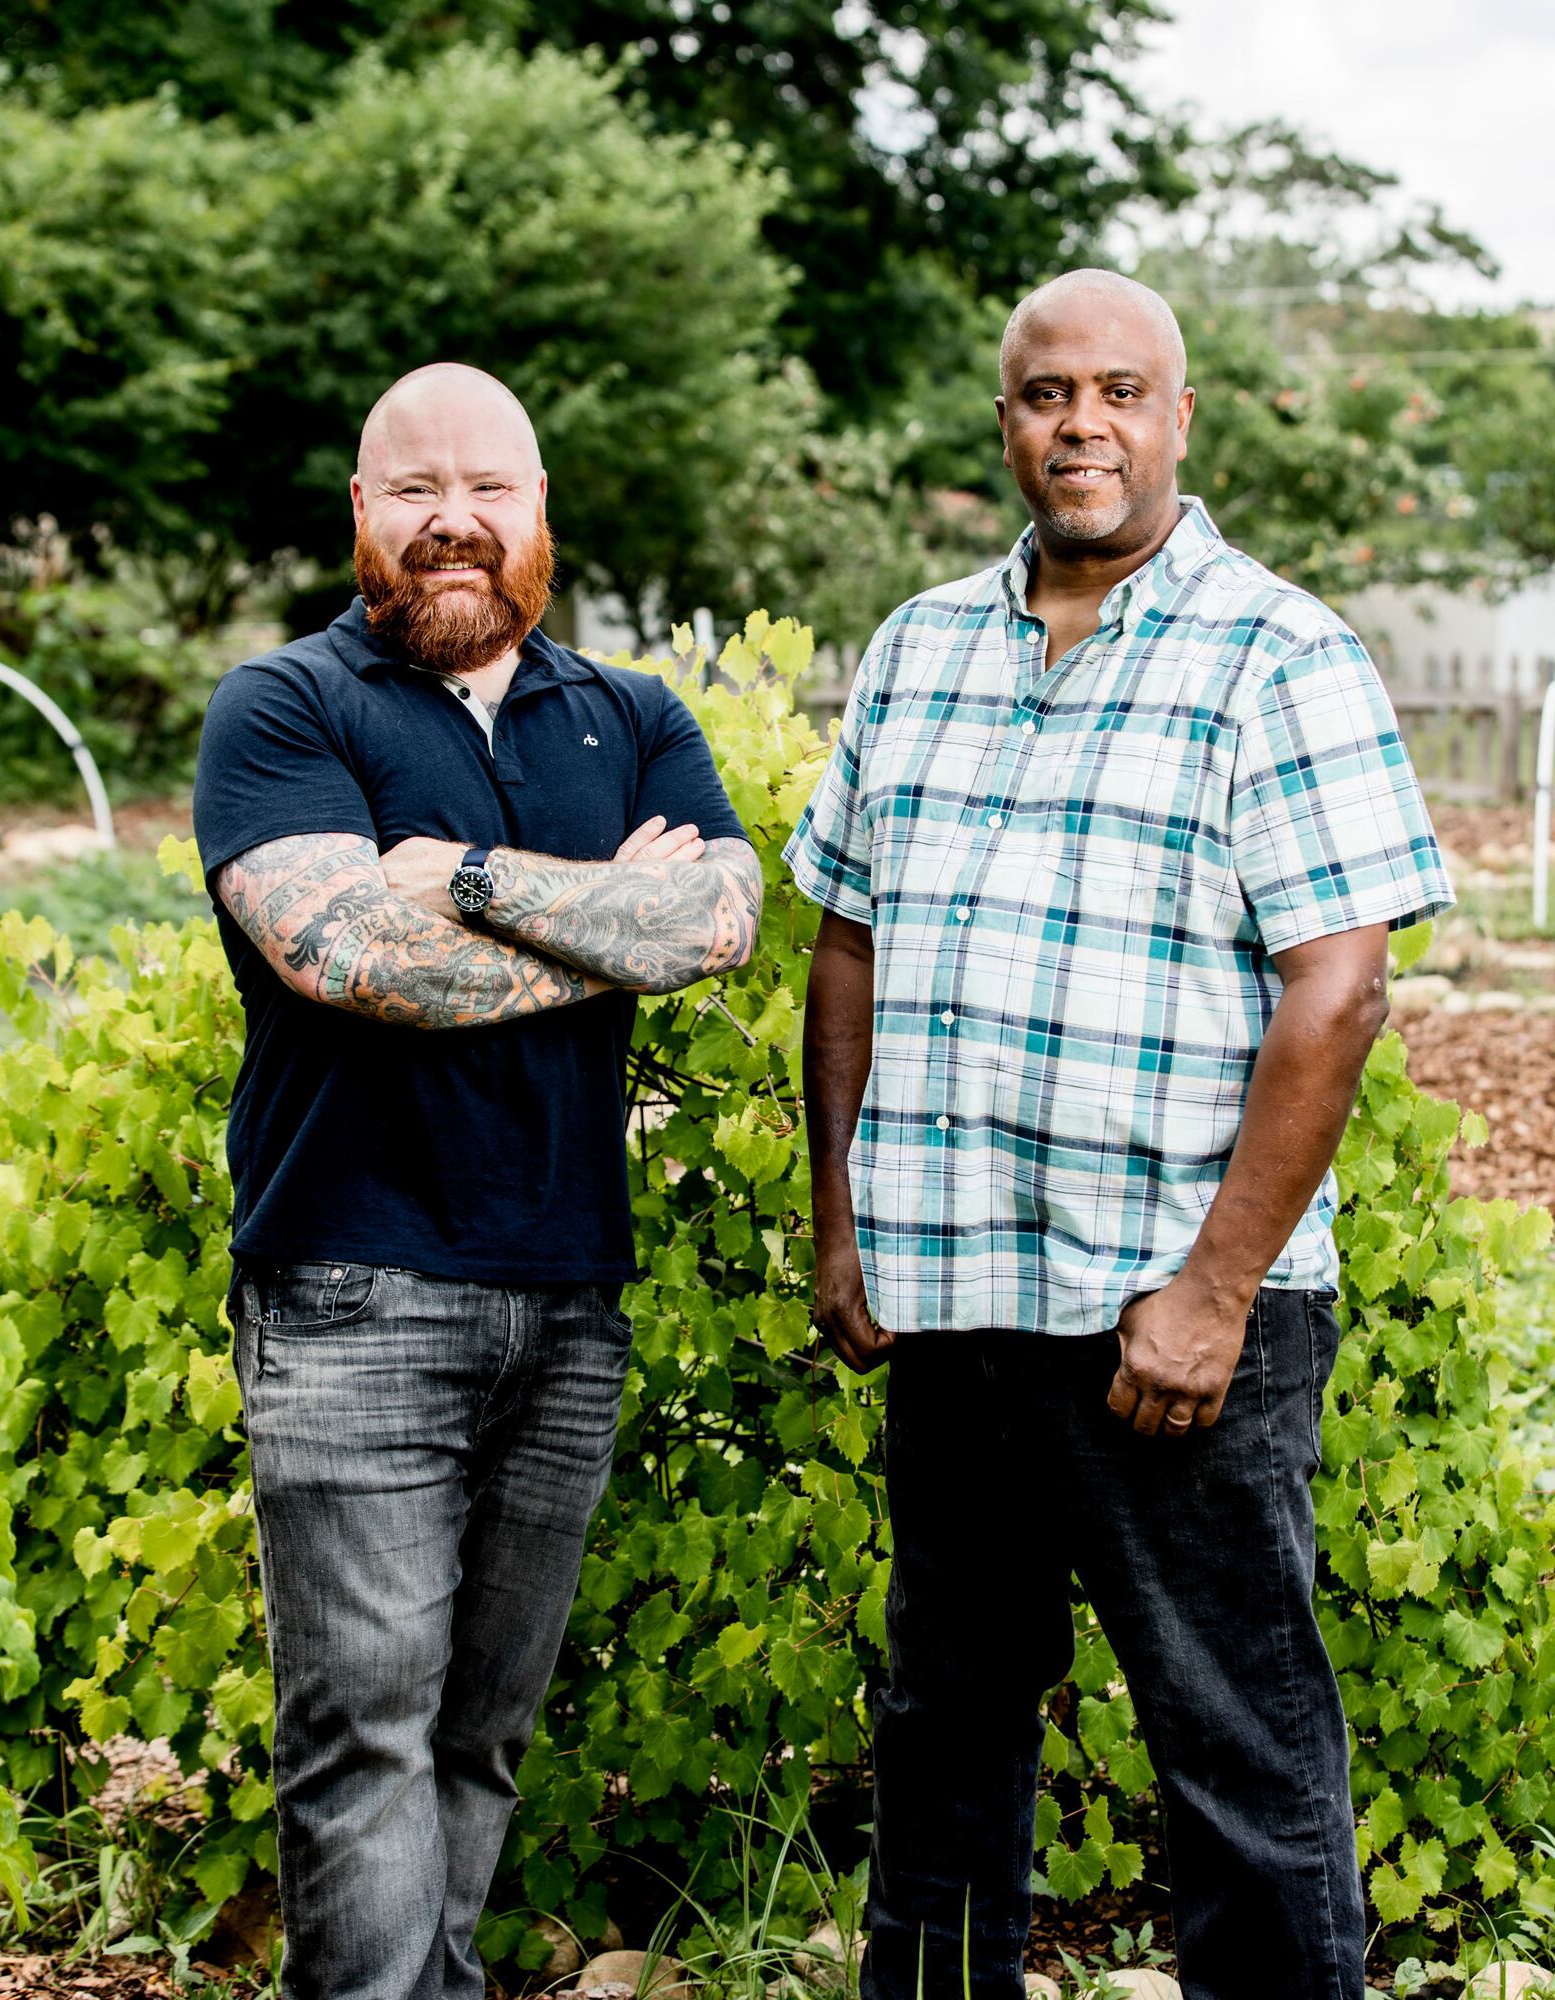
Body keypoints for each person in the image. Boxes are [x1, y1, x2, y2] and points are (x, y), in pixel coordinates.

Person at [785, 271, 1453, 2000]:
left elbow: (1339, 995)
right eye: (1043, 394)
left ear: (1179, 417)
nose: (1080, 424)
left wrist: (1216, 1294)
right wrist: (845, 1218)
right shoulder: (920, 646)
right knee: (945, 1739)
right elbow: (845, 938)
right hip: (954, 1303)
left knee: (1234, 1752)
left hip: (1173, 1326)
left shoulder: (1278, 653)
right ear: (1003, 419)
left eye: (1117, 392)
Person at [192, 362, 761, 2000]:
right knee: (363, 1732)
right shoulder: (285, 705)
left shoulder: (631, 714)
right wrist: (607, 925)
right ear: (362, 513)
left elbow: (719, 925)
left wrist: (481, 885)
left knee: (479, 1736)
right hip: (352, 1284)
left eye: (489, 490)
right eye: (416, 489)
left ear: (538, 517)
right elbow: (355, 959)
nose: (455, 521)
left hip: (570, 1295)